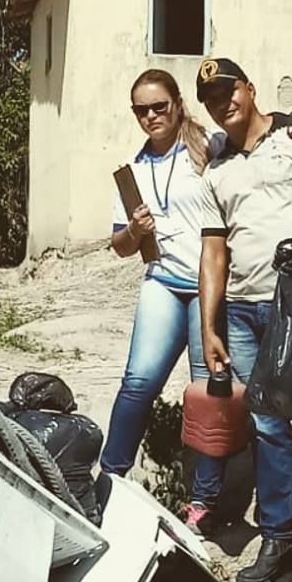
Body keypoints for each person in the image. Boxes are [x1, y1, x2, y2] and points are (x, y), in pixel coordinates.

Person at [198, 57, 292, 582]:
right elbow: (212, 253)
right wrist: (210, 327)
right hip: (245, 311)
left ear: (250, 90)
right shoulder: (216, 170)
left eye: (229, 91)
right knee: (269, 427)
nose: (223, 102)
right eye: (210, 98)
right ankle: (281, 537)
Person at [100, 69, 223, 533]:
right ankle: (111, 478)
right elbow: (119, 244)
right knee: (138, 383)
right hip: (164, 281)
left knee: (204, 391)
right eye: (141, 110)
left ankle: (203, 501)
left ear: (177, 103)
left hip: (209, 284)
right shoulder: (131, 169)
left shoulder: (209, 150)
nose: (151, 116)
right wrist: (135, 231)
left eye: (159, 106)